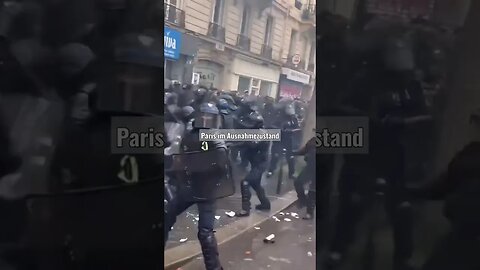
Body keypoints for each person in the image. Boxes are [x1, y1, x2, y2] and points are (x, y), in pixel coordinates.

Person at [165, 102, 233, 270]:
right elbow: (182, 159)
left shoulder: (213, 137)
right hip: (192, 188)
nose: (205, 119)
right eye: (203, 116)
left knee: (205, 231)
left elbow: (221, 163)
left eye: (208, 117)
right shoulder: (191, 134)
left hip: (205, 190)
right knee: (167, 216)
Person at [235, 111, 271, 217]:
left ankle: (245, 209)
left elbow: (252, 144)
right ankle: (265, 204)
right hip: (256, 163)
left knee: (245, 182)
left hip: (261, 164)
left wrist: (239, 142)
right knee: (255, 184)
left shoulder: (261, 134)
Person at [267, 103, 299, 179]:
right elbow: (272, 125)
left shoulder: (293, 118)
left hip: (288, 139)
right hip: (279, 139)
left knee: (290, 157)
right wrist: (279, 129)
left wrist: (292, 131)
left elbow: (297, 127)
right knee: (275, 155)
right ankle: (271, 170)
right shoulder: (279, 117)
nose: (290, 110)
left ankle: (291, 173)